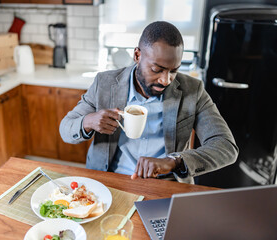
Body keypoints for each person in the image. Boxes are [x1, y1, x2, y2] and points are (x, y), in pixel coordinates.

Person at [59, 21, 238, 184]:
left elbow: (226, 146)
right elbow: (66, 128)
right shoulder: (104, 83)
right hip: (109, 181)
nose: (166, 80)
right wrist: (88, 121)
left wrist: (174, 161)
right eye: (156, 70)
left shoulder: (193, 90)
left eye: (173, 71)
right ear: (137, 55)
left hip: (164, 185)